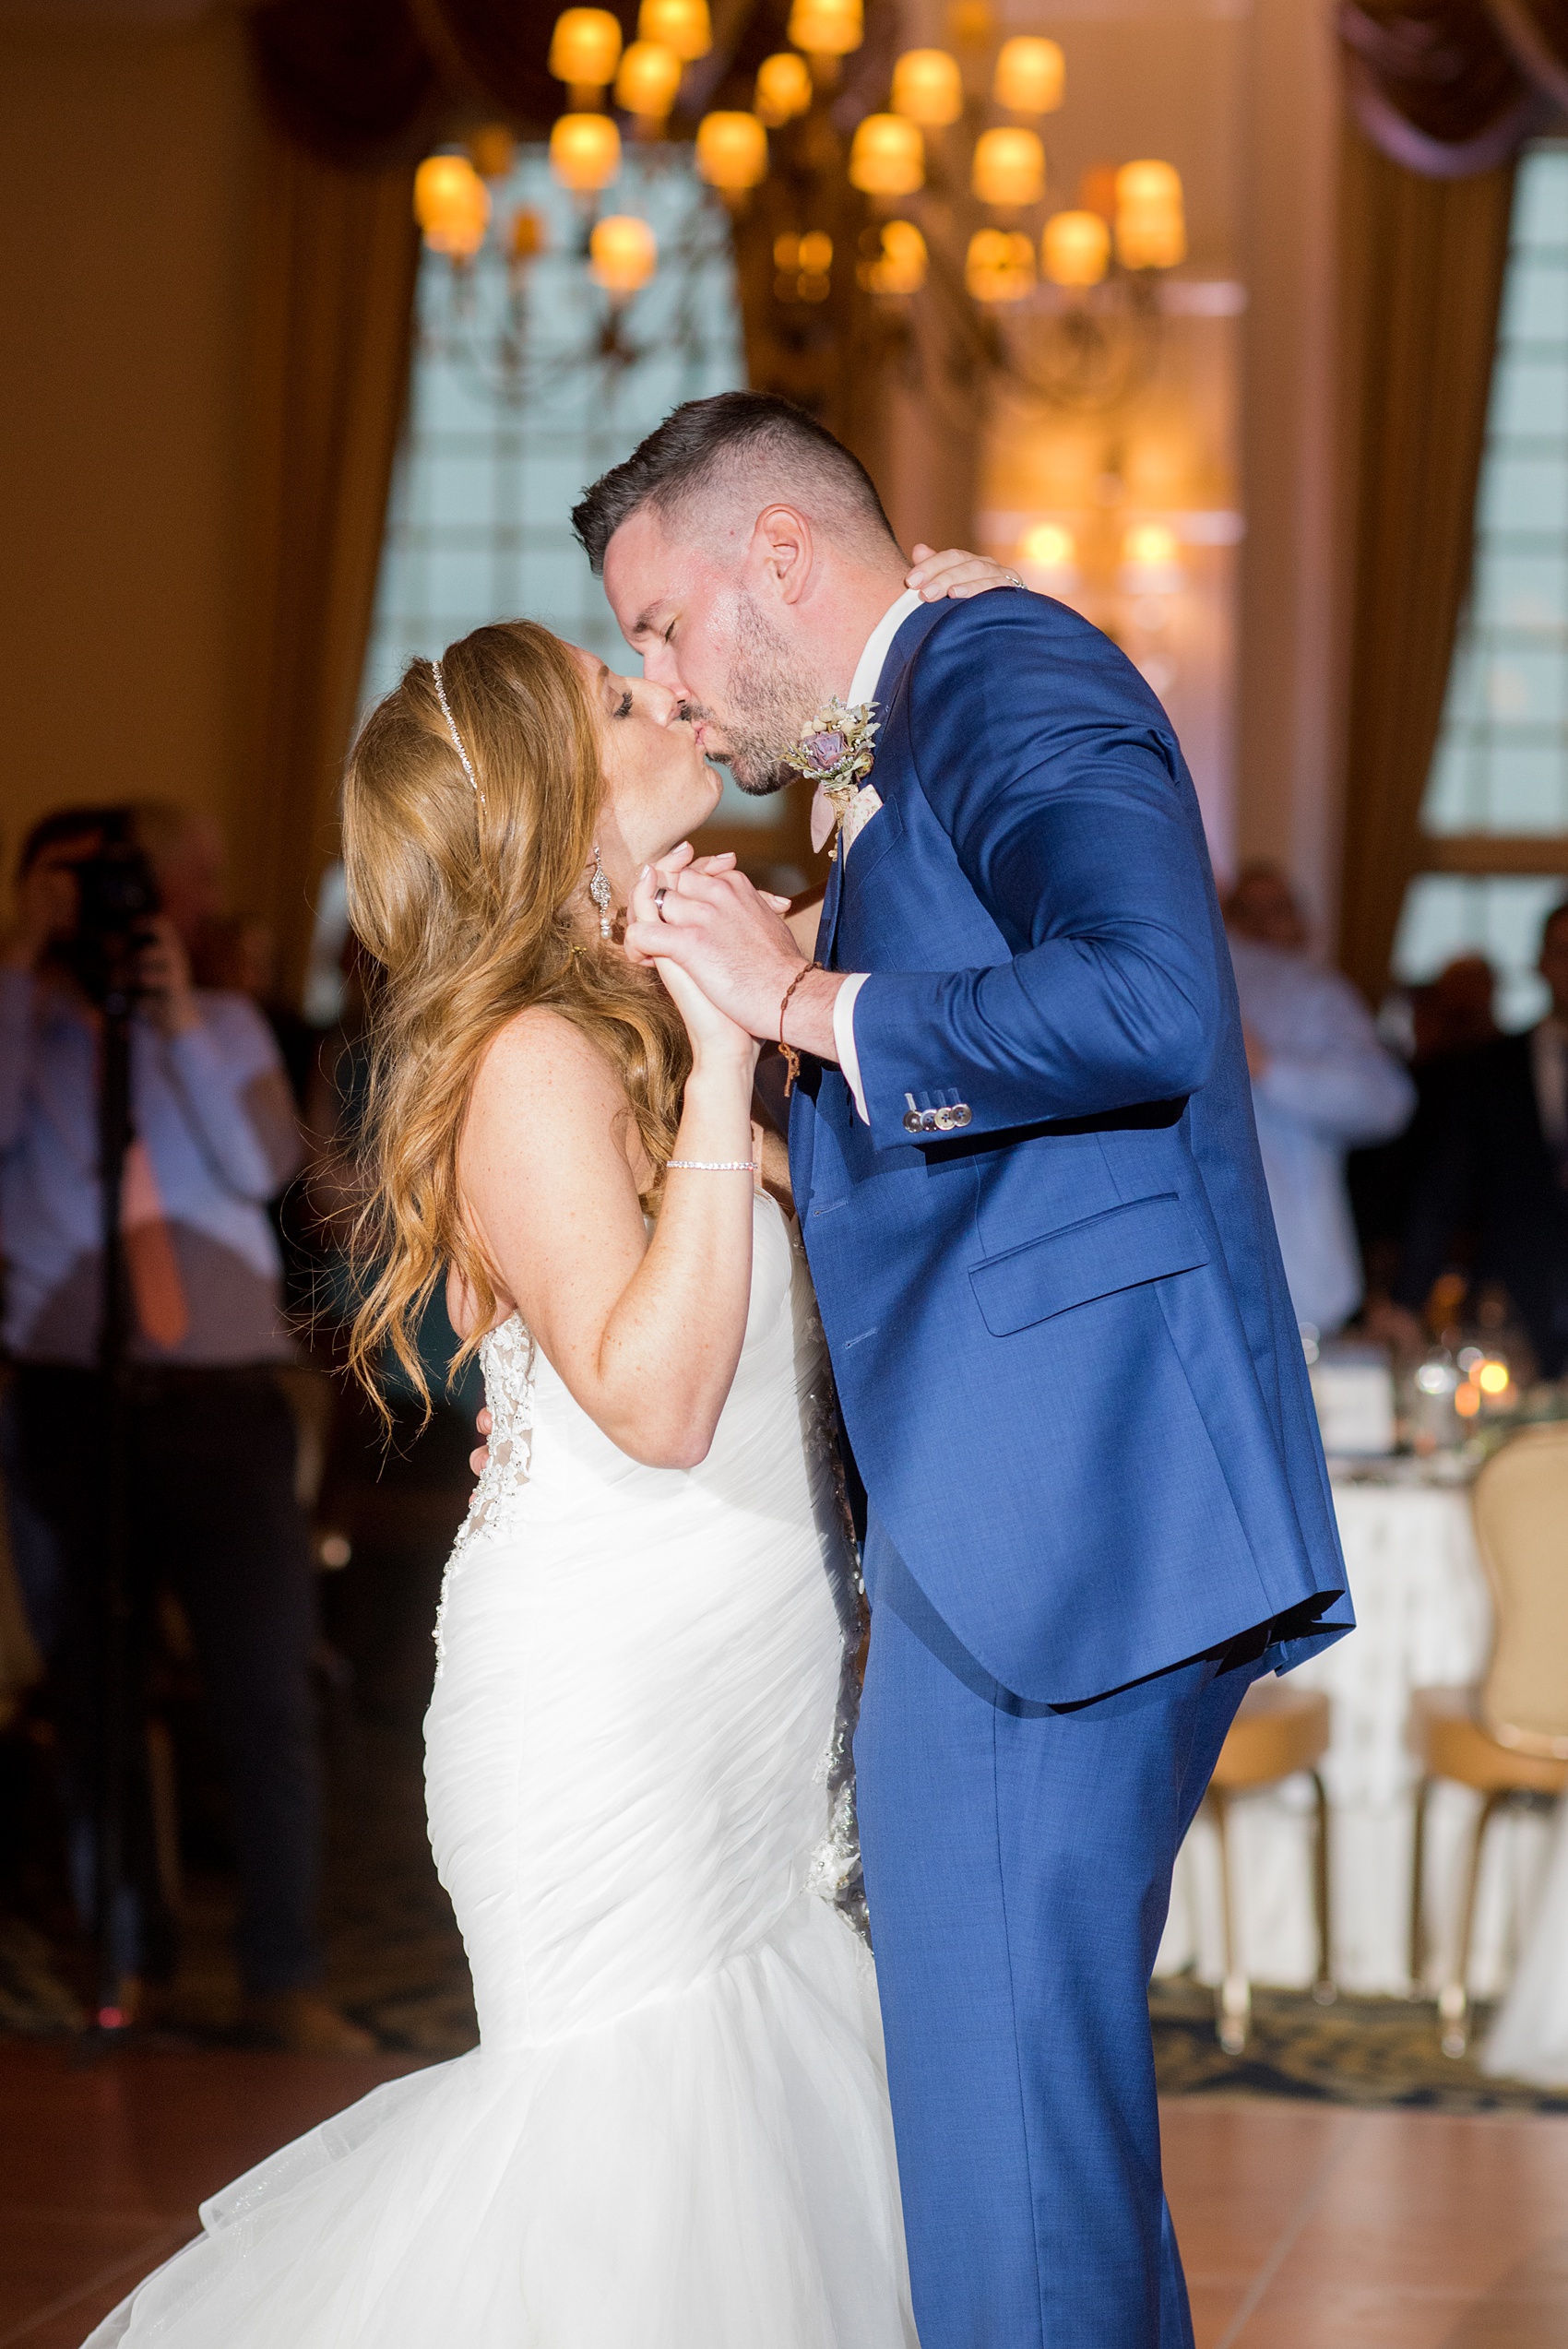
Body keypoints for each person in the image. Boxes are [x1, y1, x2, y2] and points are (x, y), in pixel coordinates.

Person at [79, 551, 1005, 2347]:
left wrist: (920, 674)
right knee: (636, 2173)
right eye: (610, 691)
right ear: (548, 799)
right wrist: (733, 1053)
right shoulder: (521, 1057)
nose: (658, 687)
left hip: (745, 1676)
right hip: (612, 1698)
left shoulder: (647, 1011)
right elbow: (655, 1403)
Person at [585, 391, 1351, 2349]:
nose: (657, 681)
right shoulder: (915, 728)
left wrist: (806, 998)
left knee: (1004, 2151)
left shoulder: (1000, 666)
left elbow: (1149, 999)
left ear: (778, 556)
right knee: (1036, 2144)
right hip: (1016, 1509)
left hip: (1059, 1519)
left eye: (660, 625)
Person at [0, 803, 368, 2054]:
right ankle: (126, 1963)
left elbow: (274, 1164)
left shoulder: (215, 1025)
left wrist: (172, 1025)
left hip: (223, 1410)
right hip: (65, 1404)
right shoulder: (22, 1025)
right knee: (93, 1698)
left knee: (264, 1698)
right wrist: (17, 958)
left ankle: (284, 1972)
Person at [1222, 858, 1414, 1335]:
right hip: (1213, 1277)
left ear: (1305, 926)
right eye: (1248, 911)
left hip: (1302, 1285)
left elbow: (1386, 1102)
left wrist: (1269, 1068)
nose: (1264, 925)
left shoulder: (1317, 996)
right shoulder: (1187, 985)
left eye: (1278, 909)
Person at [1391, 899, 1568, 1376]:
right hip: (1513, 1306)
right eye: (1562, 953)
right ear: (1540, 964)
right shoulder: (1488, 1068)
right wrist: (1408, 1301)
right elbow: (1444, 1188)